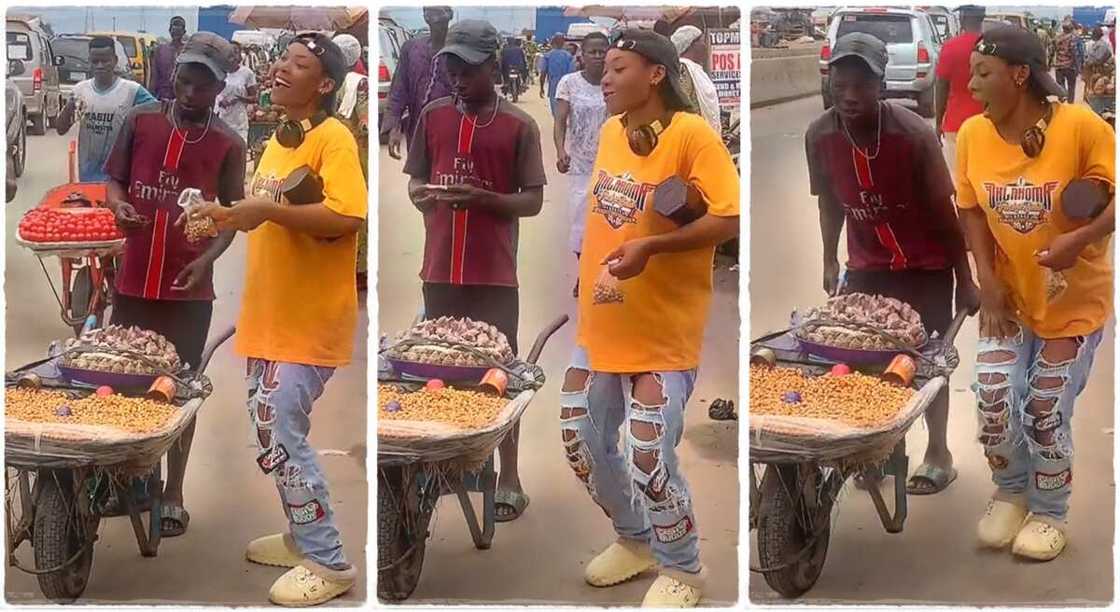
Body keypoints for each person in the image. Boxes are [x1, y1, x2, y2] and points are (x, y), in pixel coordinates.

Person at [562, 29, 739, 608]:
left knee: (646, 453)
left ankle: (682, 567)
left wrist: (652, 251)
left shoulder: (692, 136)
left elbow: (730, 219)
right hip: (604, 316)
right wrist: (587, 272)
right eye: (603, 68)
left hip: (663, 329)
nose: (604, 77)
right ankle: (634, 538)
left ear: (656, 74)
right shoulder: (615, 131)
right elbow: (609, 216)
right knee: (580, 438)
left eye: (618, 68)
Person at [191, 33, 364, 604]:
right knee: (270, 431)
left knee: (284, 437)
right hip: (268, 315)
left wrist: (264, 210)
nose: (284, 70)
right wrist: (226, 212)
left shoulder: (333, 138)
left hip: (308, 322)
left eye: (301, 65)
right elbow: (267, 206)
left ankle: (330, 561)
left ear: (326, 85)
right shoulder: (280, 140)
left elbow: (345, 215)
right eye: (283, 60)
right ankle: (300, 534)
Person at [959, 26, 1114, 562]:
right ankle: (1011, 493)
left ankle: (1051, 511)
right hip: (1010, 301)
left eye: (984, 72)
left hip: (1073, 304)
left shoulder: (1081, 127)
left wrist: (1081, 239)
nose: (971, 82)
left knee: (1044, 409)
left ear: (1019, 75)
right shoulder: (973, 136)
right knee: (994, 400)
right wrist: (987, 278)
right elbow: (970, 208)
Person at [806, 34, 979, 495]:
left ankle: (938, 451)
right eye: (840, 84)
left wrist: (964, 278)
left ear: (881, 86)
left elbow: (946, 213)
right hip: (867, 264)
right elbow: (830, 205)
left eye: (861, 86)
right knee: (861, 358)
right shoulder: (820, 136)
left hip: (925, 263)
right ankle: (877, 449)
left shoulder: (913, 135)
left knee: (928, 361)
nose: (849, 95)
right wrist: (829, 259)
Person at [404, 20, 546, 523]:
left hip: (493, 273)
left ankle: (509, 473)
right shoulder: (434, 116)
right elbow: (416, 178)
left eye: (468, 69)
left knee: (498, 373)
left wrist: (484, 200)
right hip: (439, 268)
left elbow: (532, 200)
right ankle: (440, 462)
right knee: (435, 370)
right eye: (451, 68)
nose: (458, 78)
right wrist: (422, 194)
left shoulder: (518, 126)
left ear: (493, 65)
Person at [103, 32, 243, 538]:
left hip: (188, 289)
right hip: (134, 281)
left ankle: (173, 491)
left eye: (201, 87)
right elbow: (114, 179)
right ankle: (127, 478)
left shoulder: (229, 143)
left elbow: (229, 218)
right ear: (173, 79)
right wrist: (118, 206)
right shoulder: (139, 122)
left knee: (179, 391)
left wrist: (206, 260)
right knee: (123, 386)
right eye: (183, 82)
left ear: (219, 88)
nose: (188, 94)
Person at [56, 36, 156, 182]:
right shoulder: (80, 90)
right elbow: (60, 129)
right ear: (89, 61)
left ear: (115, 60)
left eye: (105, 61)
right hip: (87, 177)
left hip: (119, 179)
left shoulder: (132, 90)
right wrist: (70, 106)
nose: (100, 66)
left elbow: (158, 112)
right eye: (95, 61)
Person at [554, 32, 609, 297]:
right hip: (580, 165)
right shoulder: (569, 83)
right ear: (582, 55)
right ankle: (584, 272)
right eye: (593, 52)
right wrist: (560, 151)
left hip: (611, 163)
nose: (598, 57)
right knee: (581, 223)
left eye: (602, 51)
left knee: (609, 221)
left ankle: (601, 274)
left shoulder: (615, 82)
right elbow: (560, 120)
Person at [382, 6, 454, 160]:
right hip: (417, 131)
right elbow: (399, 90)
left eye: (441, 12)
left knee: (449, 178)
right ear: (425, 16)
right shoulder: (411, 49)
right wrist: (394, 126)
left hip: (453, 133)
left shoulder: (460, 51)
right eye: (430, 12)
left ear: (450, 15)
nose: (435, 18)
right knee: (418, 180)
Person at [334, 33, 370, 291]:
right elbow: (366, 122)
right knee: (357, 209)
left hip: (329, 152)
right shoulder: (360, 84)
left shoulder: (325, 81)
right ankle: (358, 268)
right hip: (355, 154)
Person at [935, 5, 986, 180]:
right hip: (989, 122)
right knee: (984, 177)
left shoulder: (950, 46)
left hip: (956, 124)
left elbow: (941, 86)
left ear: (962, 18)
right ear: (982, 19)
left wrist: (938, 122)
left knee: (960, 177)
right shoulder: (991, 46)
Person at [671, 25, 721, 132]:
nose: (705, 46)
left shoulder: (696, 69)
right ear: (691, 44)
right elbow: (683, 105)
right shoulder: (683, 69)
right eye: (702, 41)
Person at [216, 41, 258, 145]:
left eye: (236, 52)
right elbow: (212, 93)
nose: (233, 56)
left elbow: (255, 98)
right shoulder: (219, 72)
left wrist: (240, 98)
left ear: (240, 55)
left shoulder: (247, 73)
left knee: (239, 152)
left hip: (240, 123)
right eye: (229, 52)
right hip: (221, 121)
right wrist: (220, 100)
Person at [150, 16, 188, 101]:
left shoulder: (188, 50)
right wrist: (151, 96)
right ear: (170, 30)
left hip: (182, 97)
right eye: (174, 30)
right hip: (164, 96)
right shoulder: (160, 50)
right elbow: (154, 76)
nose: (176, 34)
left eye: (179, 31)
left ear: (184, 32)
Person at [540, 34, 575, 114]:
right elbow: (572, 73)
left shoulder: (547, 56)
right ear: (563, 43)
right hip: (567, 87)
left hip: (554, 87)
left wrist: (541, 88)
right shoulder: (569, 56)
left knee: (556, 113)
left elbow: (543, 73)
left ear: (553, 43)